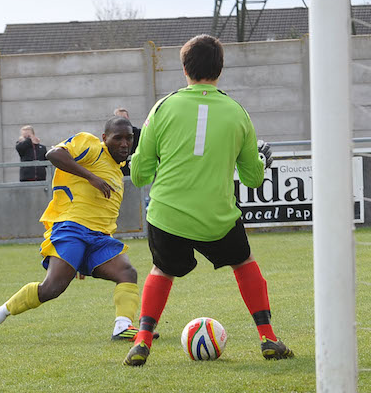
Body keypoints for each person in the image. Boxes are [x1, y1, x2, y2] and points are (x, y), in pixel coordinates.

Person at [123, 34, 293, 367]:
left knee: (162, 268)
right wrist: (261, 161)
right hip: (217, 217)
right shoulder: (238, 112)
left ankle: (142, 341)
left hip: (167, 215)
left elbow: (140, 176)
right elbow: (253, 179)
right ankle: (268, 337)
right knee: (243, 262)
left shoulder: (163, 107)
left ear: (184, 68)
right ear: (220, 69)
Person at [0, 116, 146, 345]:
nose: (124, 144)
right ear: (105, 138)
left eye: (129, 139)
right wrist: (91, 177)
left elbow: (102, 214)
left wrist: (86, 259)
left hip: (99, 238)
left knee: (127, 273)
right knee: (52, 288)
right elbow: (53, 154)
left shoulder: (117, 170)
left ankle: (123, 326)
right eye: (118, 138)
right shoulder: (90, 145)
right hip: (71, 228)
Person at [113, 107, 140, 177]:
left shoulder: (138, 133)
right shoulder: (111, 136)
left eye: (124, 118)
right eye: (119, 118)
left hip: (136, 169)